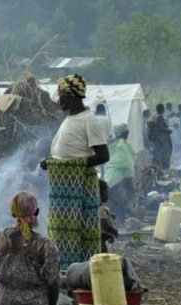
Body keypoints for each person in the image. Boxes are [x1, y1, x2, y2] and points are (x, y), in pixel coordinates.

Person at [41, 74, 109, 269]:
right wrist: (54, 163)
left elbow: (103, 155)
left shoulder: (89, 120)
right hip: (64, 189)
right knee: (61, 234)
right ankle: (64, 272)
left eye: (61, 95)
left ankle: (78, 274)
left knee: (79, 231)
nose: (58, 99)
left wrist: (59, 165)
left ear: (71, 96)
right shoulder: (71, 119)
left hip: (79, 187)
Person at [0, 191, 59, 305]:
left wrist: (5, 289)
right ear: (36, 213)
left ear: (13, 214)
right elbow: (52, 281)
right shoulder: (46, 244)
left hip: (3, 303)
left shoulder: (0, 238)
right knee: (57, 279)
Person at [104, 124, 136, 226]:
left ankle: (119, 221)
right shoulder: (122, 146)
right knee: (119, 202)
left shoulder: (114, 144)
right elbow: (127, 164)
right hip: (115, 179)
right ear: (125, 133)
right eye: (127, 133)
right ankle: (120, 223)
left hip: (109, 178)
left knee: (118, 202)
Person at [147, 104, 172, 170]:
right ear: (162, 109)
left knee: (157, 153)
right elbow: (160, 128)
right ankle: (162, 168)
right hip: (161, 139)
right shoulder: (159, 117)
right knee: (164, 153)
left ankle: (156, 167)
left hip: (157, 139)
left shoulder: (154, 116)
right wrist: (168, 130)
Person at [99, 180, 118, 252]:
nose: (108, 194)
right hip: (101, 238)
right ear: (102, 193)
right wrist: (113, 231)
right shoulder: (101, 209)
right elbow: (104, 224)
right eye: (107, 192)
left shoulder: (102, 208)